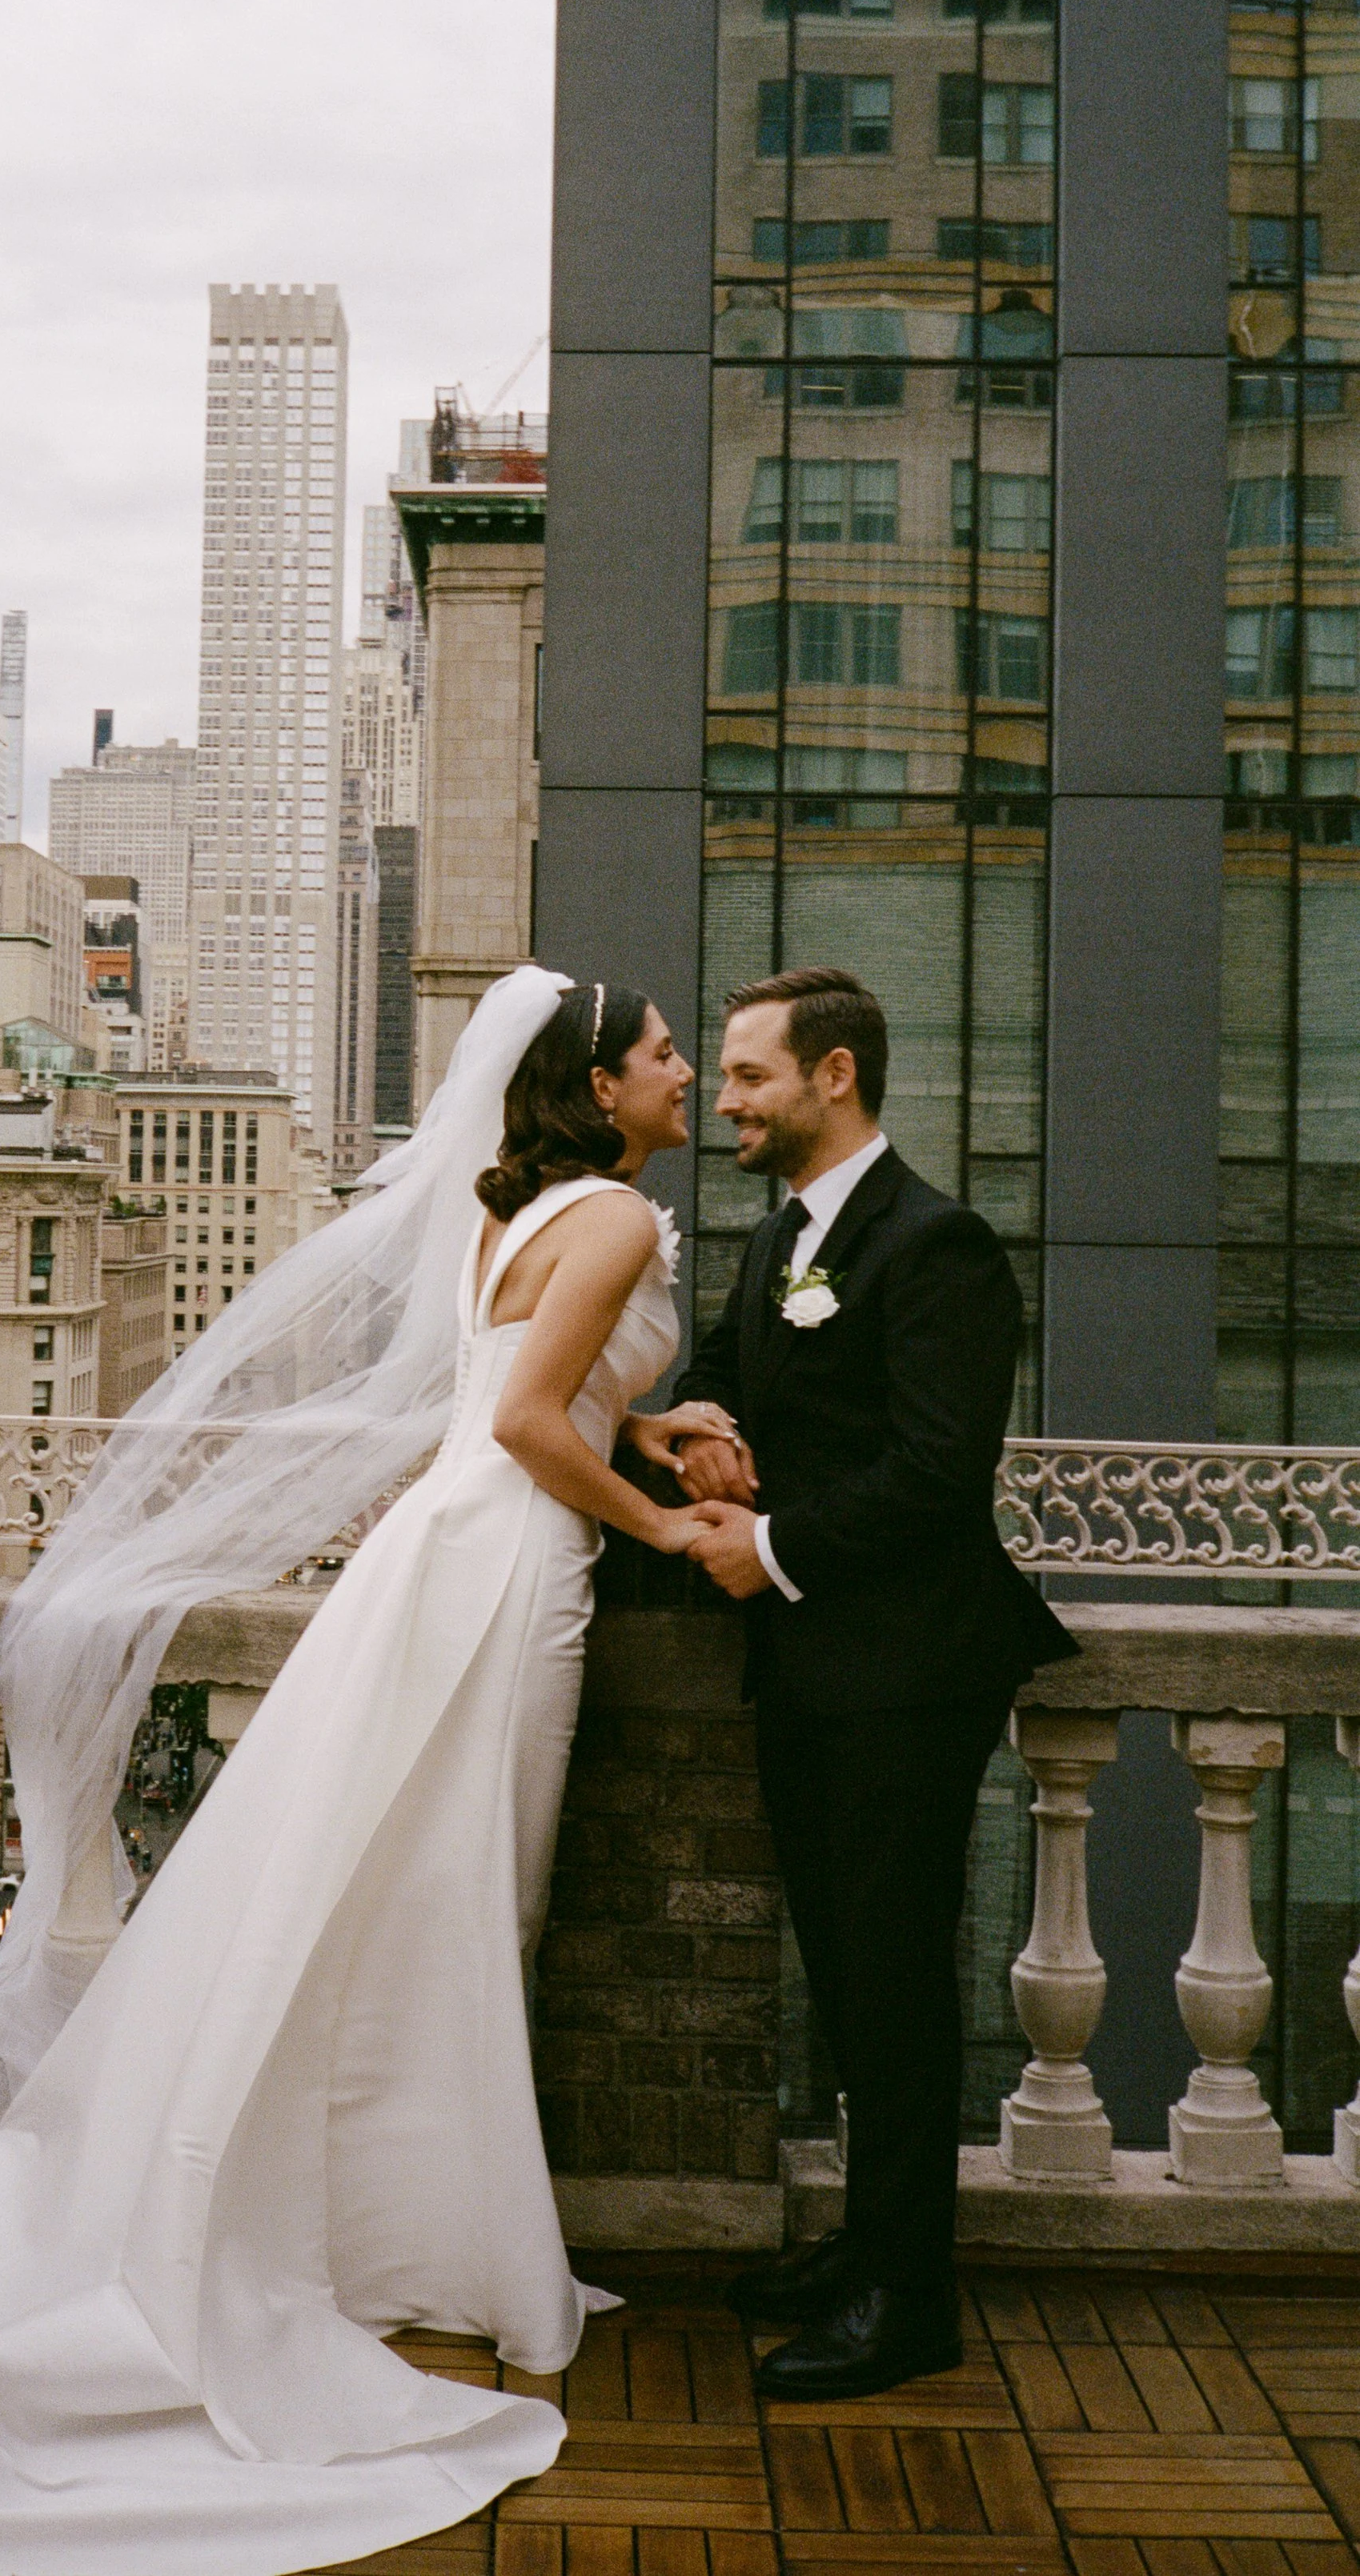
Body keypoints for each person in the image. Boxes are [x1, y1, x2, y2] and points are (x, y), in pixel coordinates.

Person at [0, 968, 708, 2576]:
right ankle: (418, 2243)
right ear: (594, 1082)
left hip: (445, 1555)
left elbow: (527, 1383)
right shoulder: (620, 1222)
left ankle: (397, 2235)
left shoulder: (527, 1213)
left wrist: (641, 1430)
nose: (686, 1069)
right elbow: (518, 1416)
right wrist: (670, 1525)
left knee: (412, 1891)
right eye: (660, 1053)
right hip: (509, 1563)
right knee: (462, 1893)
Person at [628, 967, 1073, 2406]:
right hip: (813, 1676)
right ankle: (864, 2246)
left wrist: (771, 1544)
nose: (728, 1100)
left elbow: (943, 1473)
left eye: (750, 1076)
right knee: (843, 1965)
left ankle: (911, 2298)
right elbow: (722, 1375)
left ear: (833, 1078)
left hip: (907, 1676)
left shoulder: (938, 1245)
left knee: (894, 1983)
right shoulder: (778, 1243)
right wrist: (692, 1436)